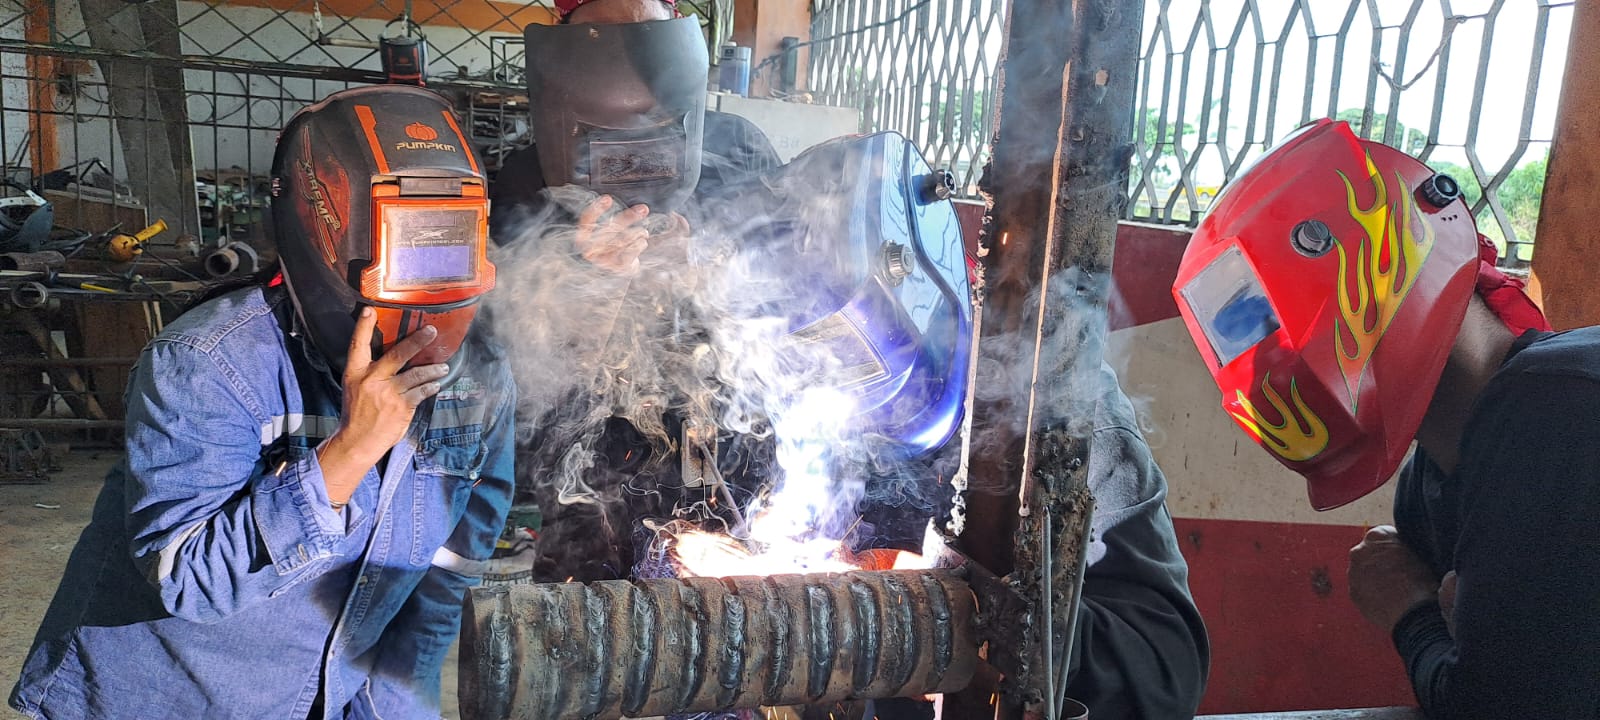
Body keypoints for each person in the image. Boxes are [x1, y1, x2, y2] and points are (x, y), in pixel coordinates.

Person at [8, 85, 515, 719]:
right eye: (413, 246)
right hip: (170, 698)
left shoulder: (481, 371)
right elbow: (188, 581)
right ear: (323, 228)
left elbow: (453, 562)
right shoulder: (208, 361)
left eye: (450, 241)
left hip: (331, 693)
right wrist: (349, 453)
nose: (431, 288)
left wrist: (396, 700)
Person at [1172, 118, 1596, 718]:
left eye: (1265, 314)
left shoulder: (1562, 406)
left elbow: (1493, 705)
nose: (1266, 349)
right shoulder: (1427, 489)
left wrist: (1409, 610)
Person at [487, 0, 781, 244]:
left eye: (647, 31)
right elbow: (507, 282)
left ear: (676, 29)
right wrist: (590, 271)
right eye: (599, 33)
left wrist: (706, 260)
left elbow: (783, 249)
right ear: (564, 41)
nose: (624, 54)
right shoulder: (527, 177)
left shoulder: (738, 144)